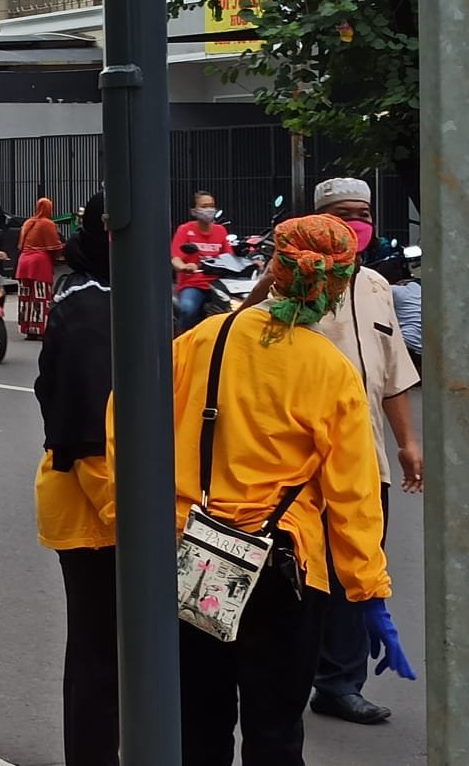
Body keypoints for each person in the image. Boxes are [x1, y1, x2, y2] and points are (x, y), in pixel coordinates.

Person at [106, 214, 414, 765]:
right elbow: (353, 495)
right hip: (284, 569)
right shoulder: (329, 369)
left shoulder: (204, 338)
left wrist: (133, 517)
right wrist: (368, 591)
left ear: (274, 267)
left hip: (194, 555)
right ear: (339, 288)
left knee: (199, 725)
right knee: (274, 731)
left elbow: (123, 424)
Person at [240, 178, 423, 725]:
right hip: (300, 459)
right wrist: (272, 276)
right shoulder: (288, 282)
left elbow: (391, 374)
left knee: (357, 567)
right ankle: (294, 670)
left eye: (364, 213)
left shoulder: (374, 285)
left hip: (365, 454)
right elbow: (243, 332)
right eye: (344, 215)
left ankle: (339, 682)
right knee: (299, 571)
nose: (357, 224)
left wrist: (408, 443)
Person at [33, 192, 119, 766]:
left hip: (110, 505)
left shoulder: (108, 292)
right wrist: (139, 525)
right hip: (101, 511)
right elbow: (92, 437)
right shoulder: (92, 306)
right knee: (99, 653)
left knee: (105, 650)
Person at [171, 191, 232, 333]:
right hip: (193, 284)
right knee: (187, 309)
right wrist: (184, 267)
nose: (209, 209)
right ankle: (181, 341)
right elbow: (175, 258)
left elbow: (229, 258)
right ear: (194, 211)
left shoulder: (220, 230)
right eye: (204, 206)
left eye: (211, 206)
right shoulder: (185, 230)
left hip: (218, 284)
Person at [16, 197, 63, 340]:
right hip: (39, 264)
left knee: (25, 297)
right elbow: (54, 246)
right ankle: (38, 329)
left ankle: (27, 328)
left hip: (23, 262)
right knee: (40, 296)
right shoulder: (47, 224)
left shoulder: (28, 222)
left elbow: (21, 245)